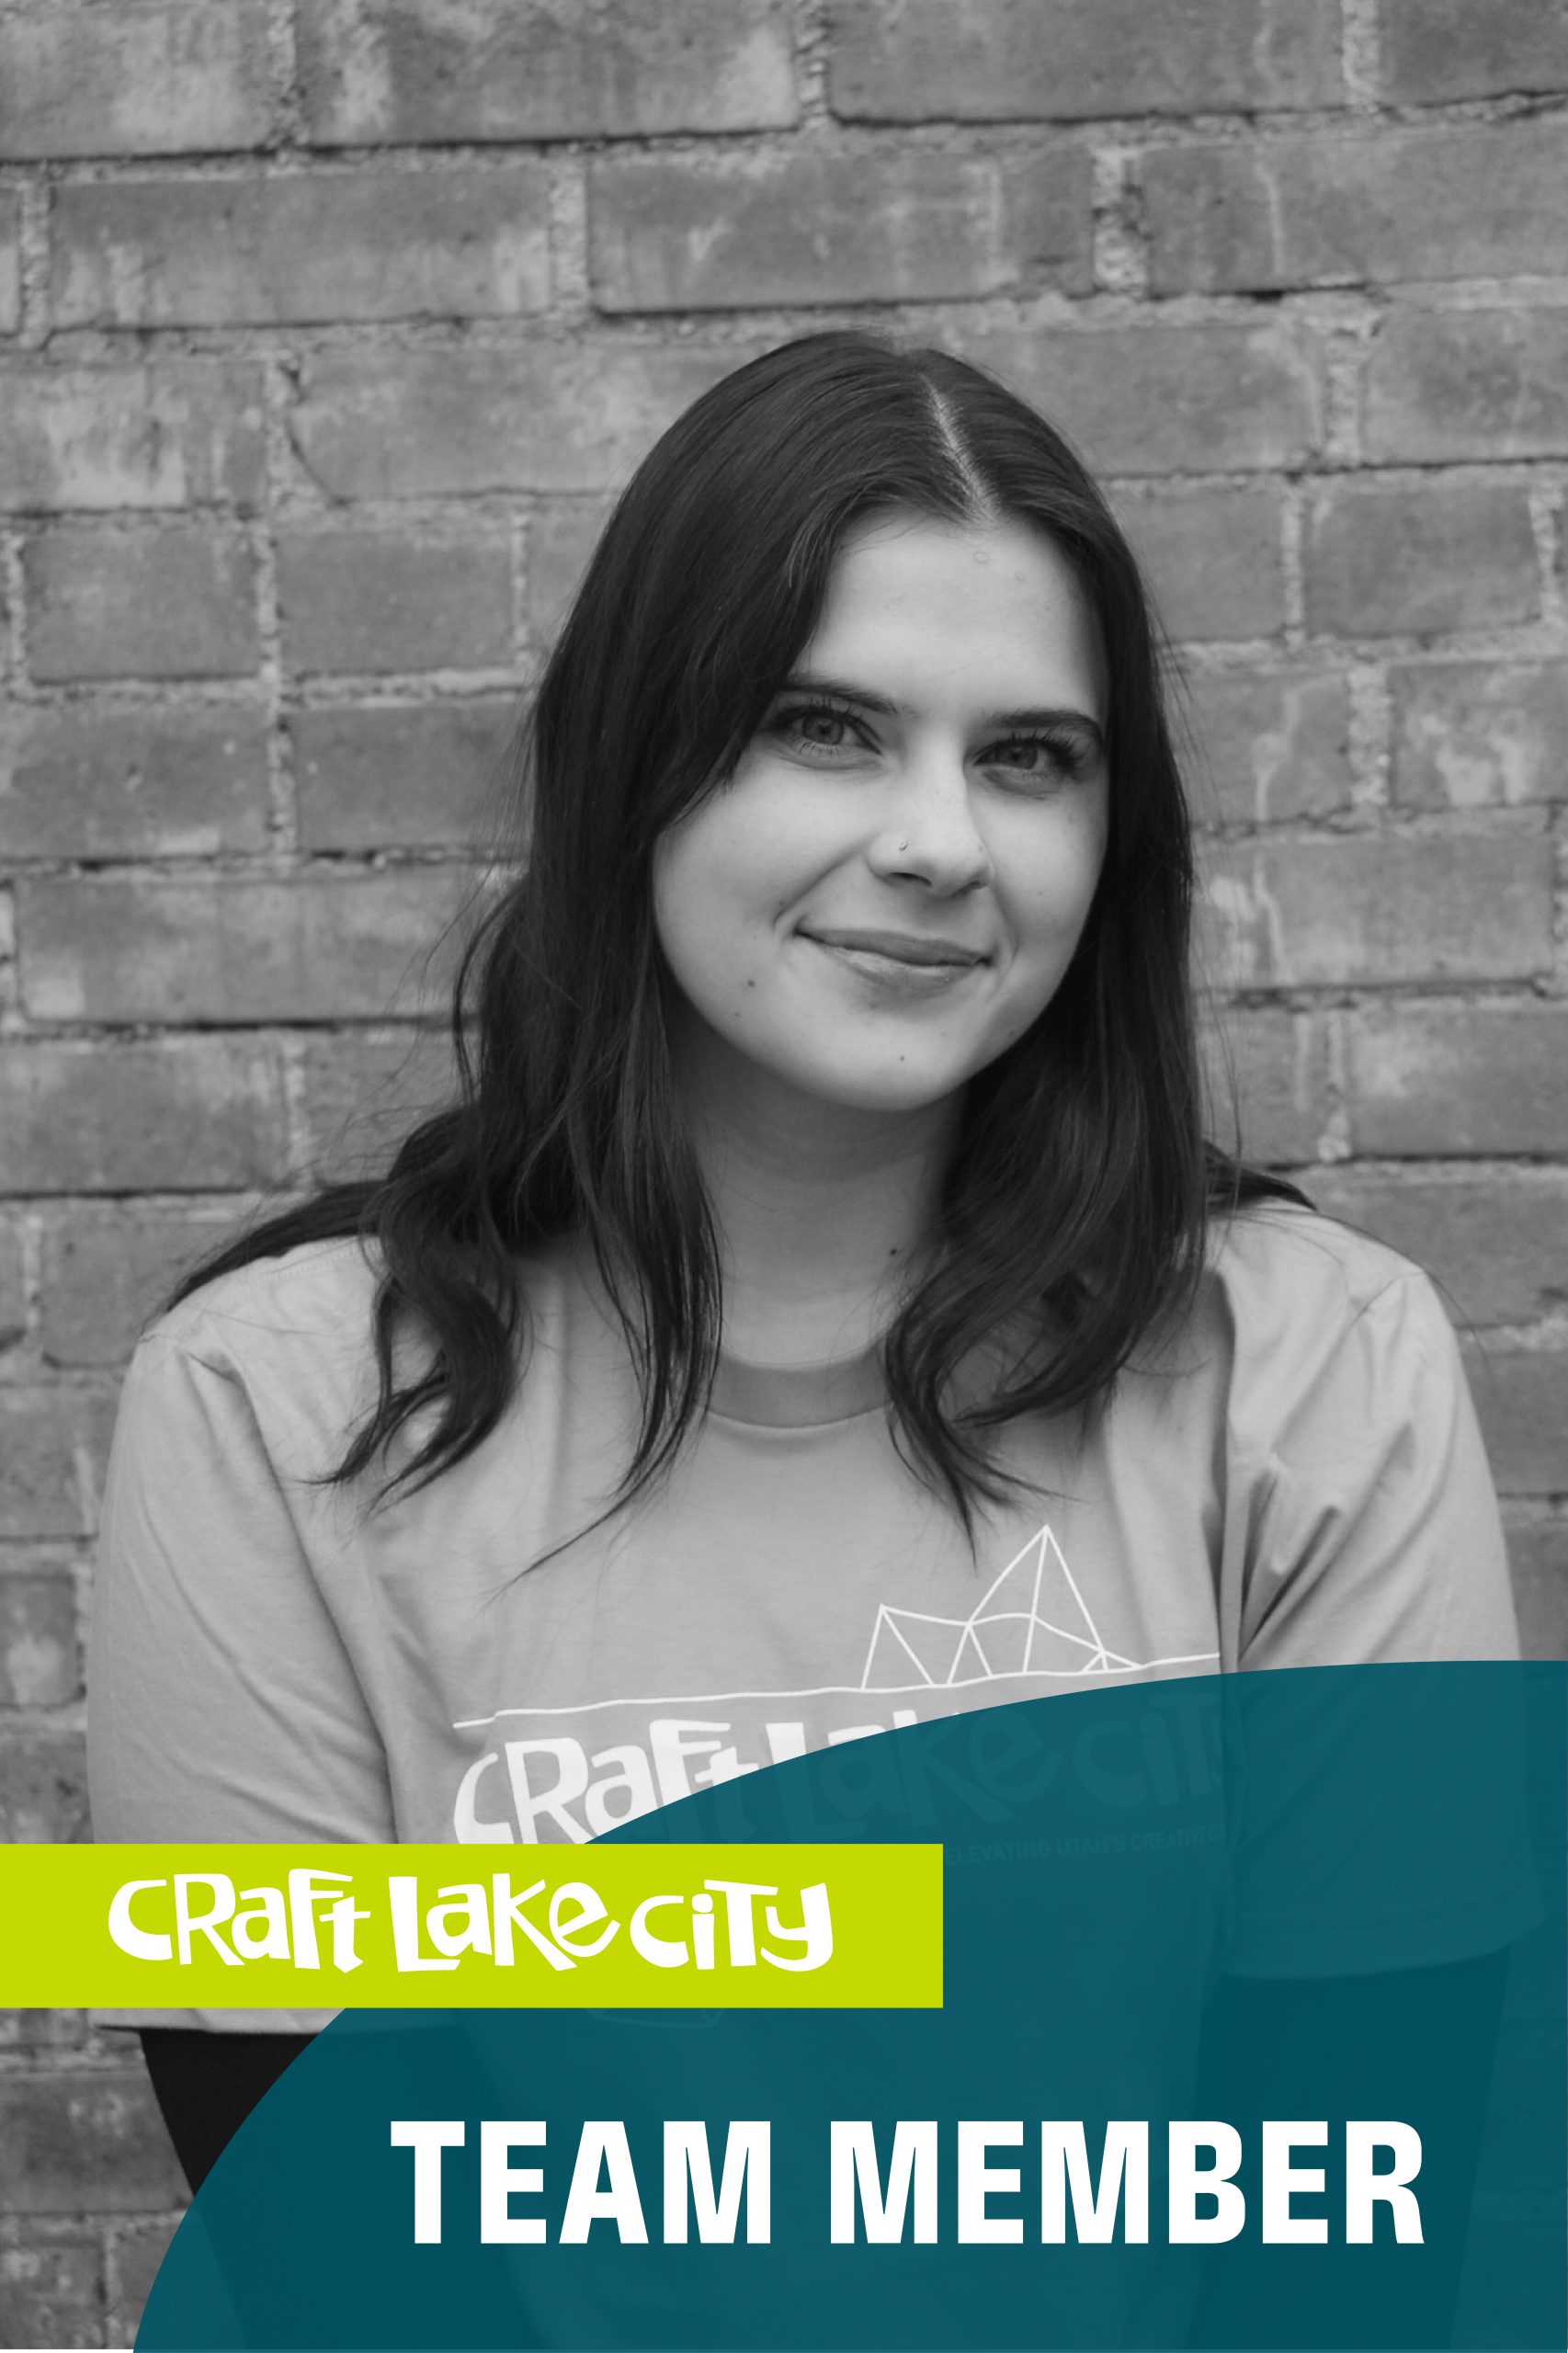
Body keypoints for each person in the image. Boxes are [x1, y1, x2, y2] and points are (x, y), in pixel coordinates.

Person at [87, 334, 1521, 2334]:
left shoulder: (1314, 1366)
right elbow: (345, 2253)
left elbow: (1342, 2232)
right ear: (636, 761)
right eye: (823, 726)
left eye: (1030, 756)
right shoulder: (272, 1405)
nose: (940, 840)